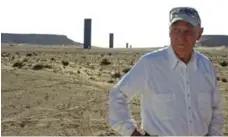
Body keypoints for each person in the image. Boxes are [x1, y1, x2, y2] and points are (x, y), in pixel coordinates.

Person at [108, 7, 224, 136]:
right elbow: (118, 94)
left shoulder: (206, 66)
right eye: (176, 30)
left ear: (199, 33)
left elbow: (216, 110)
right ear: (169, 31)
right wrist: (131, 133)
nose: (181, 37)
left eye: (187, 31)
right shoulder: (150, 64)